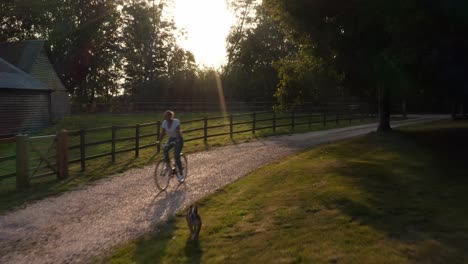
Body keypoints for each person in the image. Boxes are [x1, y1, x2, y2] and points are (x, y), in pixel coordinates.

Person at [158, 110, 184, 181]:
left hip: (178, 139)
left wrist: (178, 139)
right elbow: (163, 132)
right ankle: (167, 166)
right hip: (171, 138)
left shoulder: (176, 121)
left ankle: (181, 174)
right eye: (165, 116)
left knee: (176, 156)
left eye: (166, 116)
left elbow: (177, 131)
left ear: (170, 116)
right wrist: (159, 141)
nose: (165, 117)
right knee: (165, 149)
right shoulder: (164, 123)